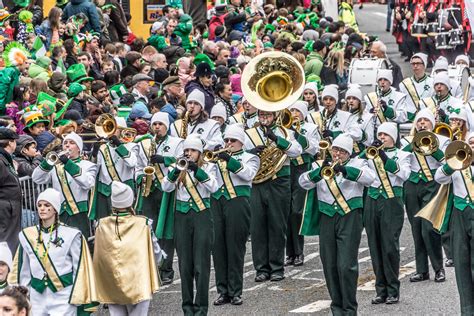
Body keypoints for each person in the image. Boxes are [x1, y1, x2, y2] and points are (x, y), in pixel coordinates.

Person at [299, 134, 375, 315]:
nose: (337, 154)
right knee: (329, 264)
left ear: (349, 153)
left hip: (349, 216)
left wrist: (345, 170)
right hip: (327, 217)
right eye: (335, 149)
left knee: (346, 265)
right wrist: (320, 171)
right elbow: (303, 182)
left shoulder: (358, 164)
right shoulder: (319, 165)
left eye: (342, 151)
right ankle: (337, 307)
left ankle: (349, 309)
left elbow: (370, 179)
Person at [8, 188, 97, 315]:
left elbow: (80, 268)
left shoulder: (71, 235)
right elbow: (24, 268)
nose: (42, 208)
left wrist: (78, 296)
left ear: (55, 209)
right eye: (39, 205)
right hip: (37, 296)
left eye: (47, 205)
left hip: (63, 296)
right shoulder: (28, 235)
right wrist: (21, 294)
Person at [161, 135, 218, 315]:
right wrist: (176, 171)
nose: (189, 153)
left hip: (202, 216)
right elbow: (166, 187)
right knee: (185, 266)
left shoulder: (209, 167)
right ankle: (187, 308)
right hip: (182, 217)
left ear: (199, 152)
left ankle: (201, 308)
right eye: (187, 150)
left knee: (201, 265)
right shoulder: (176, 166)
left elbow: (214, 187)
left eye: (193, 150)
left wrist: (197, 171)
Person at [244, 109, 302, 282]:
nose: (264, 119)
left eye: (268, 115)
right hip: (257, 182)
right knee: (258, 226)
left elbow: (297, 151)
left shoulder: (286, 132)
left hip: (279, 181)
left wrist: (277, 139)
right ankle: (261, 269)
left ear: (275, 116)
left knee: (277, 224)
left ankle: (277, 267)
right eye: (261, 115)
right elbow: (240, 155)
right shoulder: (249, 134)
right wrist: (252, 152)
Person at [93, 181, 164, 316]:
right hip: (138, 281)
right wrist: (159, 261)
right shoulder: (143, 223)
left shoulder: (101, 225)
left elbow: (99, 256)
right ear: (130, 201)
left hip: (112, 281)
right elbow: (155, 251)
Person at [361, 122, 410, 305]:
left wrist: (384, 157)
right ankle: (380, 290)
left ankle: (393, 289)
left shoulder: (403, 154)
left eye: (385, 135)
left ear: (393, 137)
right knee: (374, 246)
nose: (381, 138)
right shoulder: (369, 155)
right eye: (379, 135)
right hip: (372, 200)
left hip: (391, 201)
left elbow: (404, 174)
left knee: (389, 246)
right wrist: (369, 152)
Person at [211, 124, 259, 306]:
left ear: (241, 142)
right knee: (218, 248)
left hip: (238, 203)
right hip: (216, 201)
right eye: (226, 140)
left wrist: (229, 160)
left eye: (233, 140)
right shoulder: (215, 158)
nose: (229, 143)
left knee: (235, 247)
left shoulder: (250, 157)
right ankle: (222, 291)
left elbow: (248, 175)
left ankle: (235, 291)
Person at [401, 109, 450, 283]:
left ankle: (438, 268)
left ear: (432, 123)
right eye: (419, 121)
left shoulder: (442, 140)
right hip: (413, 184)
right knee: (416, 229)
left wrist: (431, 147)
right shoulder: (407, 140)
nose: (422, 123)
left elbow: (446, 161)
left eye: (426, 121)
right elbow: (401, 159)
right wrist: (414, 142)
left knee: (429, 228)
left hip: (432, 184)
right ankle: (422, 270)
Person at [135, 112, 183, 285]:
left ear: (167, 126)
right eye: (154, 124)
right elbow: (138, 167)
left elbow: (181, 162)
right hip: (149, 191)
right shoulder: (144, 144)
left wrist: (164, 159)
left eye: (160, 124)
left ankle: (166, 269)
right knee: (148, 230)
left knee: (165, 232)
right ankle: (150, 269)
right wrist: (142, 177)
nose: (157, 127)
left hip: (166, 191)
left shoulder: (177, 143)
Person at [434, 132, 474, 314]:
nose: (472, 146)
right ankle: (467, 310)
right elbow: (439, 177)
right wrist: (453, 164)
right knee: (462, 264)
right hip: (460, 217)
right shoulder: (458, 165)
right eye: (470, 143)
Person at [32, 132, 97, 238]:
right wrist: (47, 163)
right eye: (65, 143)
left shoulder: (88, 165)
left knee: (80, 242)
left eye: (72, 143)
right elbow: (36, 178)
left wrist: (68, 163)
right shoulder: (56, 167)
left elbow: (87, 183)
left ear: (79, 149)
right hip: (60, 212)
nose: (67, 145)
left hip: (79, 213)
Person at [285, 101, 319, 267]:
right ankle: (289, 253)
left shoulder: (311, 128)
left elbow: (313, 149)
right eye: (292, 110)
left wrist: (296, 134)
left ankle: (298, 252)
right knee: (286, 212)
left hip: (301, 169)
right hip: (286, 168)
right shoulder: (284, 126)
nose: (294, 113)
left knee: (297, 211)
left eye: (297, 110)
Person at [90, 117, 137, 220]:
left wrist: (119, 145)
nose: (112, 132)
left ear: (122, 131)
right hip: (105, 191)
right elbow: (94, 170)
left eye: (115, 129)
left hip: (124, 190)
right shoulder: (103, 147)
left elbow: (131, 163)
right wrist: (94, 154)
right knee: (104, 223)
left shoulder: (131, 146)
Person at [0, 128, 21, 253]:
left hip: (9, 209)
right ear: (10, 143)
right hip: (5, 210)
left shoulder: (5, 159)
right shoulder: (1, 161)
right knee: (4, 244)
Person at [399, 53, 434, 122]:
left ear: (424, 65)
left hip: (428, 119)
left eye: (418, 63)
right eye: (413, 64)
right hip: (409, 120)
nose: (415, 66)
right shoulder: (404, 84)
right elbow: (401, 105)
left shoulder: (433, 82)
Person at [346, 85, 374, 154]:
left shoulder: (367, 117)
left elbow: (370, 141)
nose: (351, 101)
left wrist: (360, 134)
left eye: (354, 98)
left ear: (359, 101)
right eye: (349, 98)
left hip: (358, 153)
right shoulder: (342, 116)